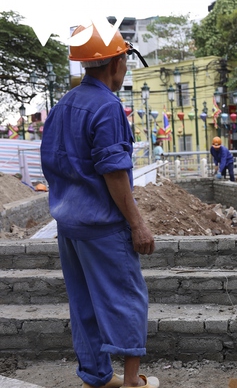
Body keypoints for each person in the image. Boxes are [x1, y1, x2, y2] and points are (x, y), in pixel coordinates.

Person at [40, 24, 159, 388]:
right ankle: (130, 382)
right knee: (126, 300)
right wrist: (137, 224)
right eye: (125, 61)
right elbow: (114, 172)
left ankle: (96, 377)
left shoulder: (64, 105)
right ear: (117, 61)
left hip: (70, 228)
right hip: (104, 228)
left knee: (84, 304)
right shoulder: (107, 107)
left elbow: (54, 163)